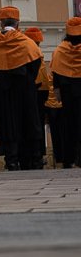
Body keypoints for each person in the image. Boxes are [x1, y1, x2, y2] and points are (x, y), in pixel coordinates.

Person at [0, 6, 44, 171]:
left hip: (2, 90)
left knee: (7, 123)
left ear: (1, 24)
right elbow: (36, 62)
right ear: (18, 24)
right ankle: (35, 159)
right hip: (24, 88)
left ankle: (11, 160)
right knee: (29, 121)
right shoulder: (26, 42)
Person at [26, 26, 63, 167]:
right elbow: (42, 76)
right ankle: (37, 156)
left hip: (34, 93)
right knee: (37, 126)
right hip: (38, 93)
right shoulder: (36, 53)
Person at [50, 18, 81, 168]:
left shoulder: (60, 50)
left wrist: (57, 91)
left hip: (68, 94)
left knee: (69, 126)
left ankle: (68, 159)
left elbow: (55, 72)